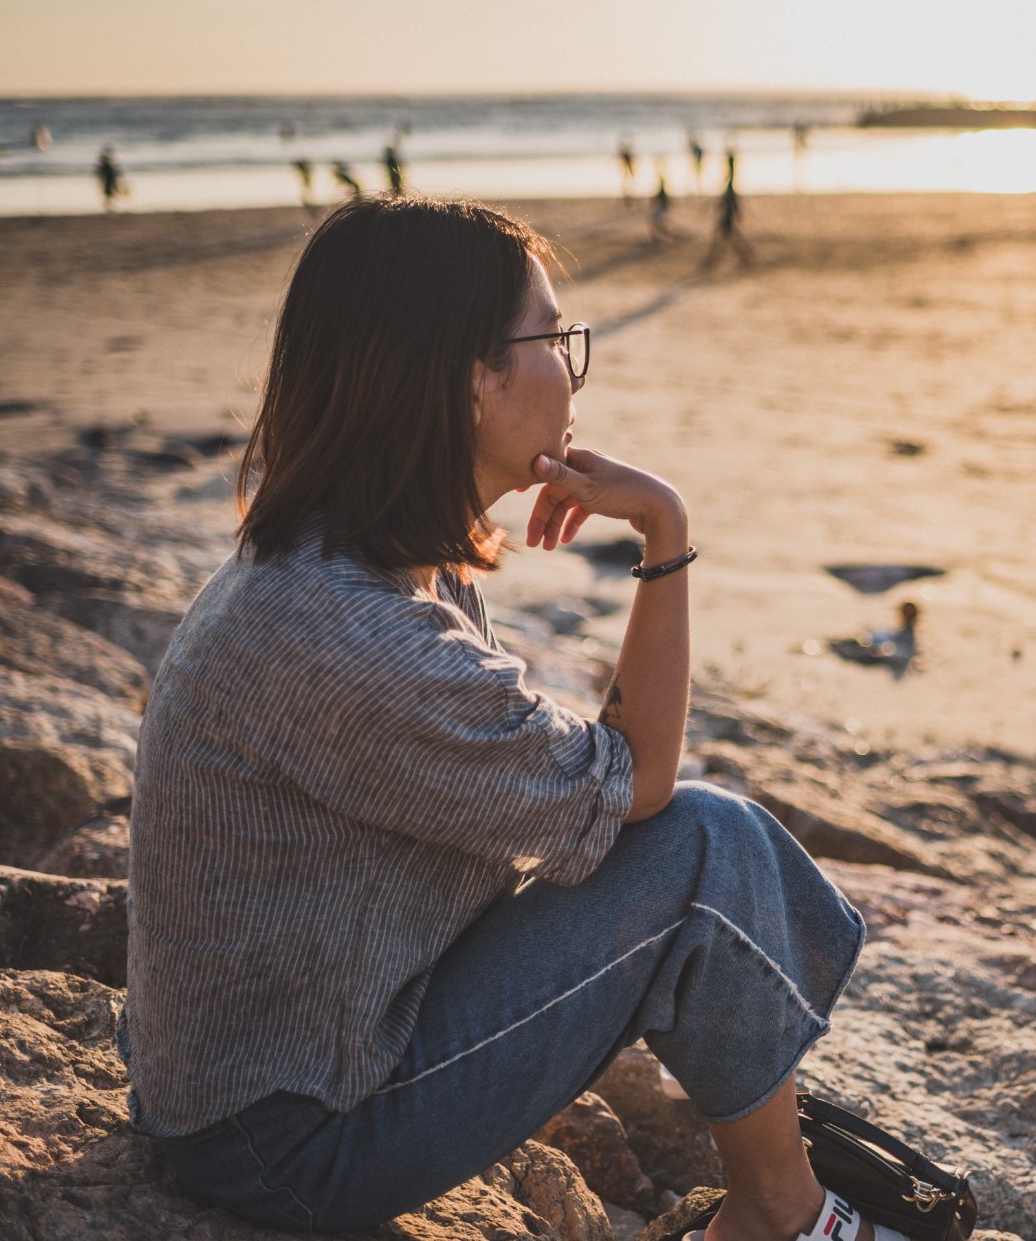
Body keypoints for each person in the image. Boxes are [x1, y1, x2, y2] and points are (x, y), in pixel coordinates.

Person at [122, 197, 869, 1240]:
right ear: (470, 374)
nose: (570, 368)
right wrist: (664, 530)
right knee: (708, 847)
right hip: (288, 1141)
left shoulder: (347, 562)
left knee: (694, 846)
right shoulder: (350, 629)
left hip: (257, 1083)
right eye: (555, 338)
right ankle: (781, 1214)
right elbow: (640, 780)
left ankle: (779, 1190)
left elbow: (573, 797)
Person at [704, 152, 754, 270]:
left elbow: (731, 200)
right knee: (729, 236)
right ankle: (745, 255)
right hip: (728, 214)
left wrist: (730, 210)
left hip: (727, 215)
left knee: (722, 236)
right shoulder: (730, 184)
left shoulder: (730, 185)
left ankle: (712, 259)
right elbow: (730, 200)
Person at [95, 145, 125, 213]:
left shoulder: (105, 164)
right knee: (110, 194)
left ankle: (109, 207)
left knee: (110, 194)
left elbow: (100, 172)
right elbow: (114, 172)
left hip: (109, 180)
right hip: (109, 180)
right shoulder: (107, 165)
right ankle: (109, 208)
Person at [649, 164, 675, 242]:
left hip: (660, 210)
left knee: (656, 222)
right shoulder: (662, 192)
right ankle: (656, 236)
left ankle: (661, 235)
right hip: (660, 209)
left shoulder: (662, 192)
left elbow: (660, 201)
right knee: (655, 222)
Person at [617, 134, 637, 206]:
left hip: (627, 168)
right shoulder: (626, 154)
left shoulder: (626, 154)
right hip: (628, 168)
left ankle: (629, 195)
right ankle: (628, 195)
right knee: (628, 181)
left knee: (628, 181)